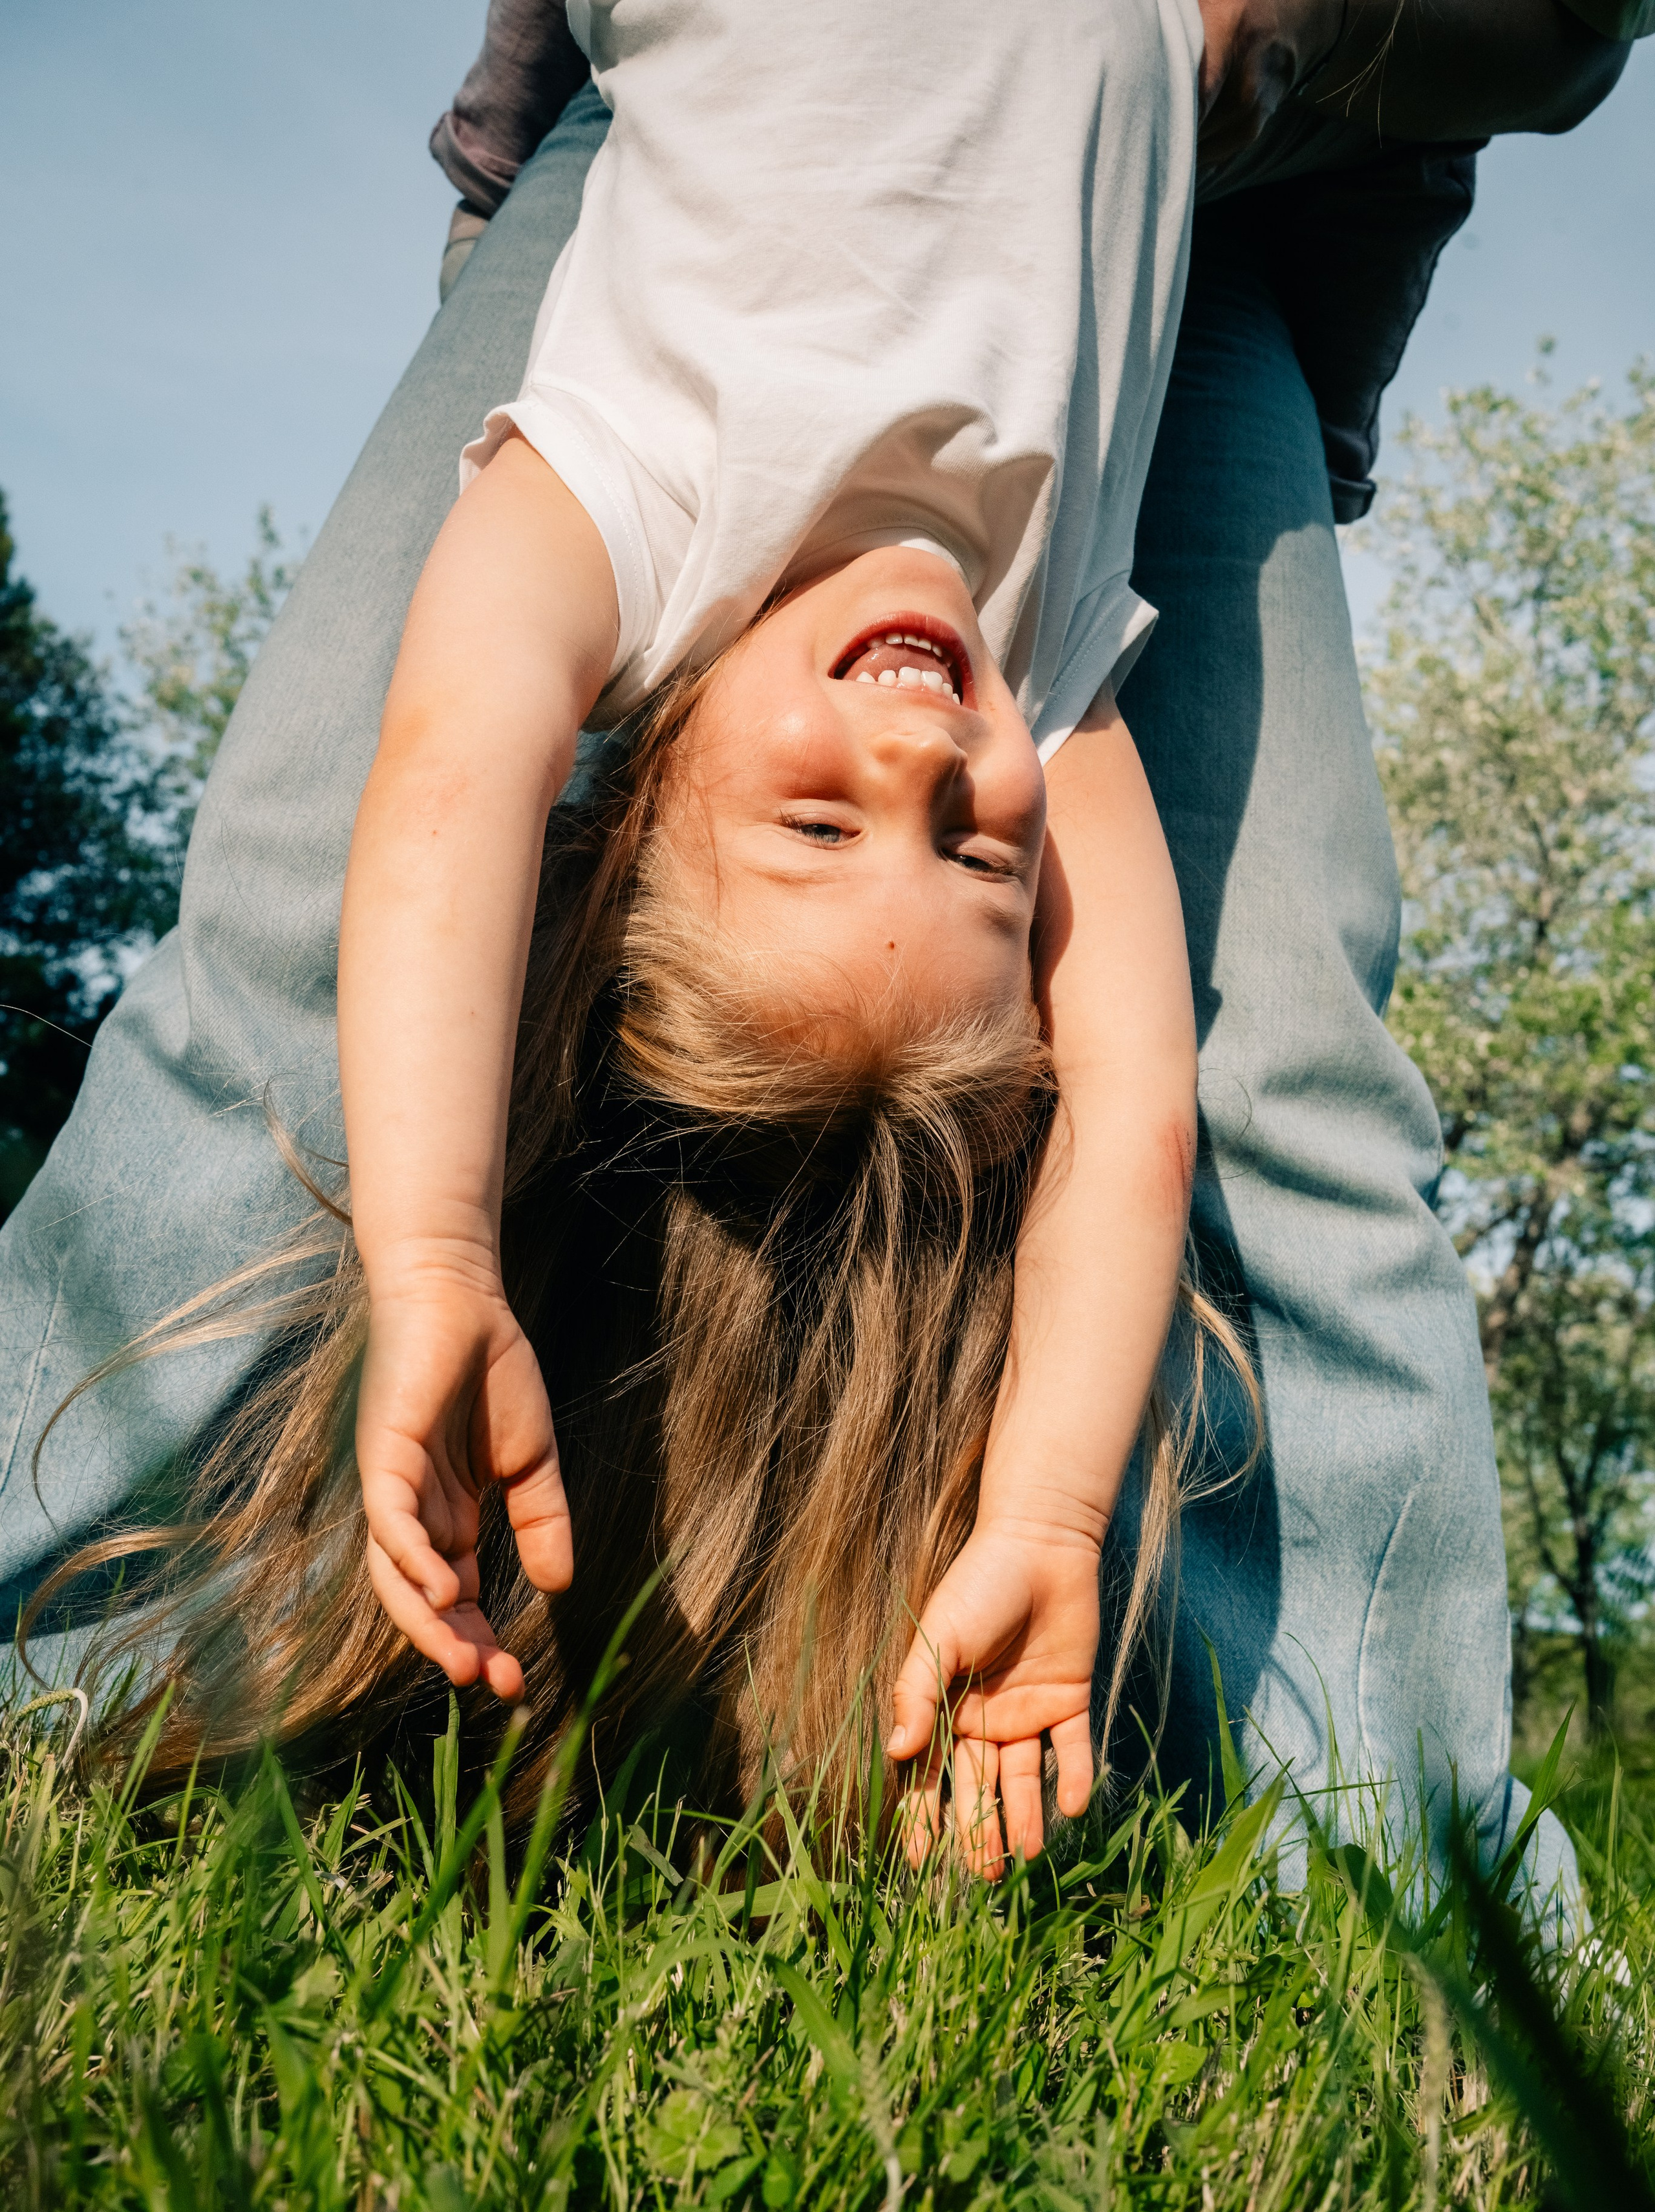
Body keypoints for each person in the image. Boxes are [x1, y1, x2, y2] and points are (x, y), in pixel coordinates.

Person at [2, 3, 1640, 1892]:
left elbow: (449, 779)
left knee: (294, 891)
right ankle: (1418, 1897)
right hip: (1223, 161)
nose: (927, 756)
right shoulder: (1039, 662)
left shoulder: (637, 506)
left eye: (817, 826)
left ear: (630, 800)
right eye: (976, 853)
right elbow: (1137, 1109)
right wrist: (1038, 1511)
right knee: (1307, 1083)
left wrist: (438, 1257)